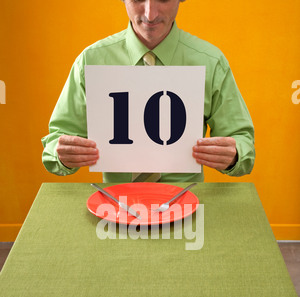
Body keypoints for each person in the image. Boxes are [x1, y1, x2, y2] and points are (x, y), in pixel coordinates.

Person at [42, 0, 255, 183]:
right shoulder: (90, 61)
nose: (149, 14)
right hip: (115, 206)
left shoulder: (211, 62)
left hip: (188, 203)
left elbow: (243, 143)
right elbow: (55, 143)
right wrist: (61, 154)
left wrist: (235, 155)